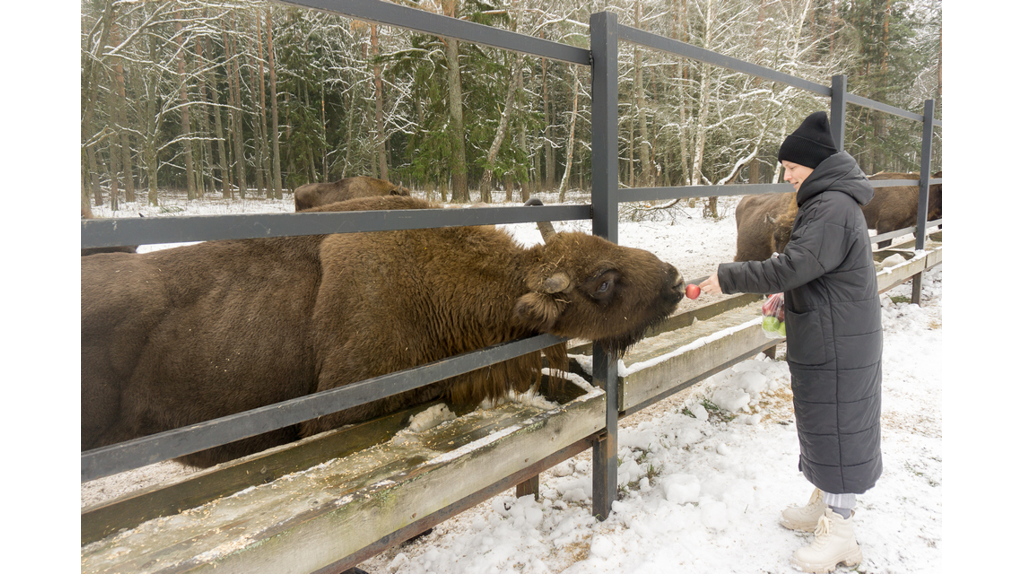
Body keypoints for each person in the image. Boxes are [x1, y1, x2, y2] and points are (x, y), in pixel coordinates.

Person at [699, 111, 883, 573]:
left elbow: (791, 265)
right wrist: (788, 292)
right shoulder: (826, 202)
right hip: (830, 330)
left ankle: (841, 534)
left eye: (790, 166)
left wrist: (728, 275)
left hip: (837, 337)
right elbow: (811, 268)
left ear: (814, 163)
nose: (785, 173)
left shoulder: (833, 207)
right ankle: (825, 503)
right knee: (826, 420)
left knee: (837, 425)